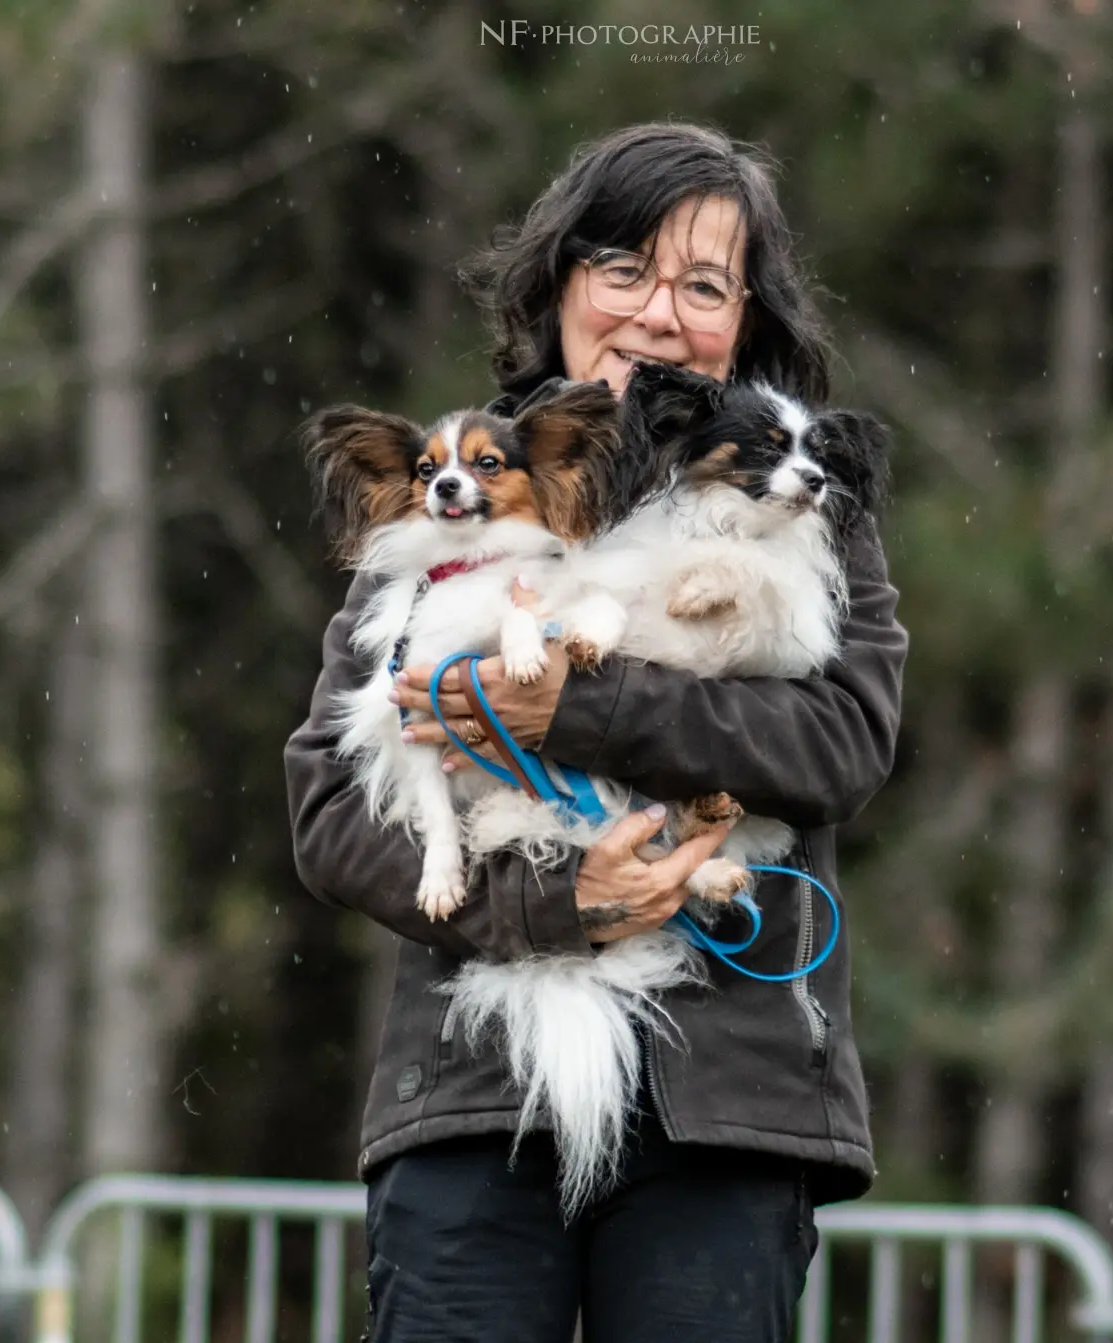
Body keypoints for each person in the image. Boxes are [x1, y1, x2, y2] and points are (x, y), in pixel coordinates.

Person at [283, 121, 908, 1343]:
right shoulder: (455, 489)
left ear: (746, 318)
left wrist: (577, 702)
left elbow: (839, 746)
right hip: (477, 1078)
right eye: (623, 269)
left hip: (725, 1085)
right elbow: (328, 808)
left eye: (703, 284)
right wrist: (553, 902)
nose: (657, 313)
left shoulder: (803, 495)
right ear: (562, 281)